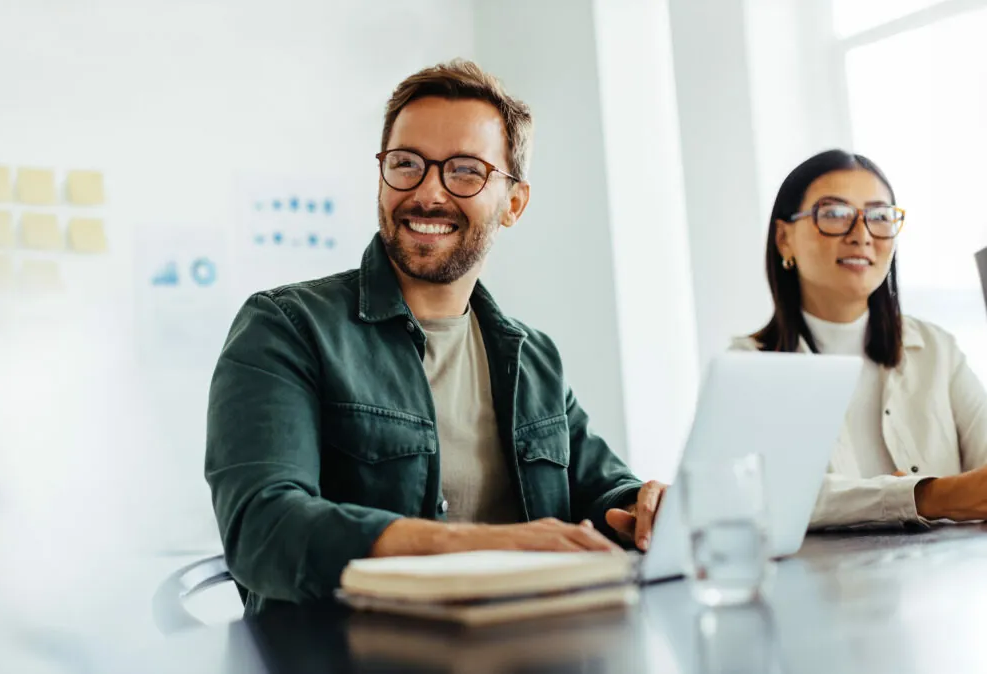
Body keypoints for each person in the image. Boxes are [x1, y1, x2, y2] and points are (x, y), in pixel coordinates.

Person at [206, 59, 665, 610]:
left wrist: (646, 505)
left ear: (513, 203)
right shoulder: (286, 326)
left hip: (533, 645)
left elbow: (602, 491)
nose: (428, 193)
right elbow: (263, 529)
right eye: (406, 164)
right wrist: (478, 546)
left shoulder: (531, 356)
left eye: (466, 171)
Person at [733, 149, 987, 528]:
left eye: (880, 216)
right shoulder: (748, 365)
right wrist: (928, 496)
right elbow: (776, 496)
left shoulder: (937, 349)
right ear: (784, 238)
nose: (861, 235)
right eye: (834, 214)